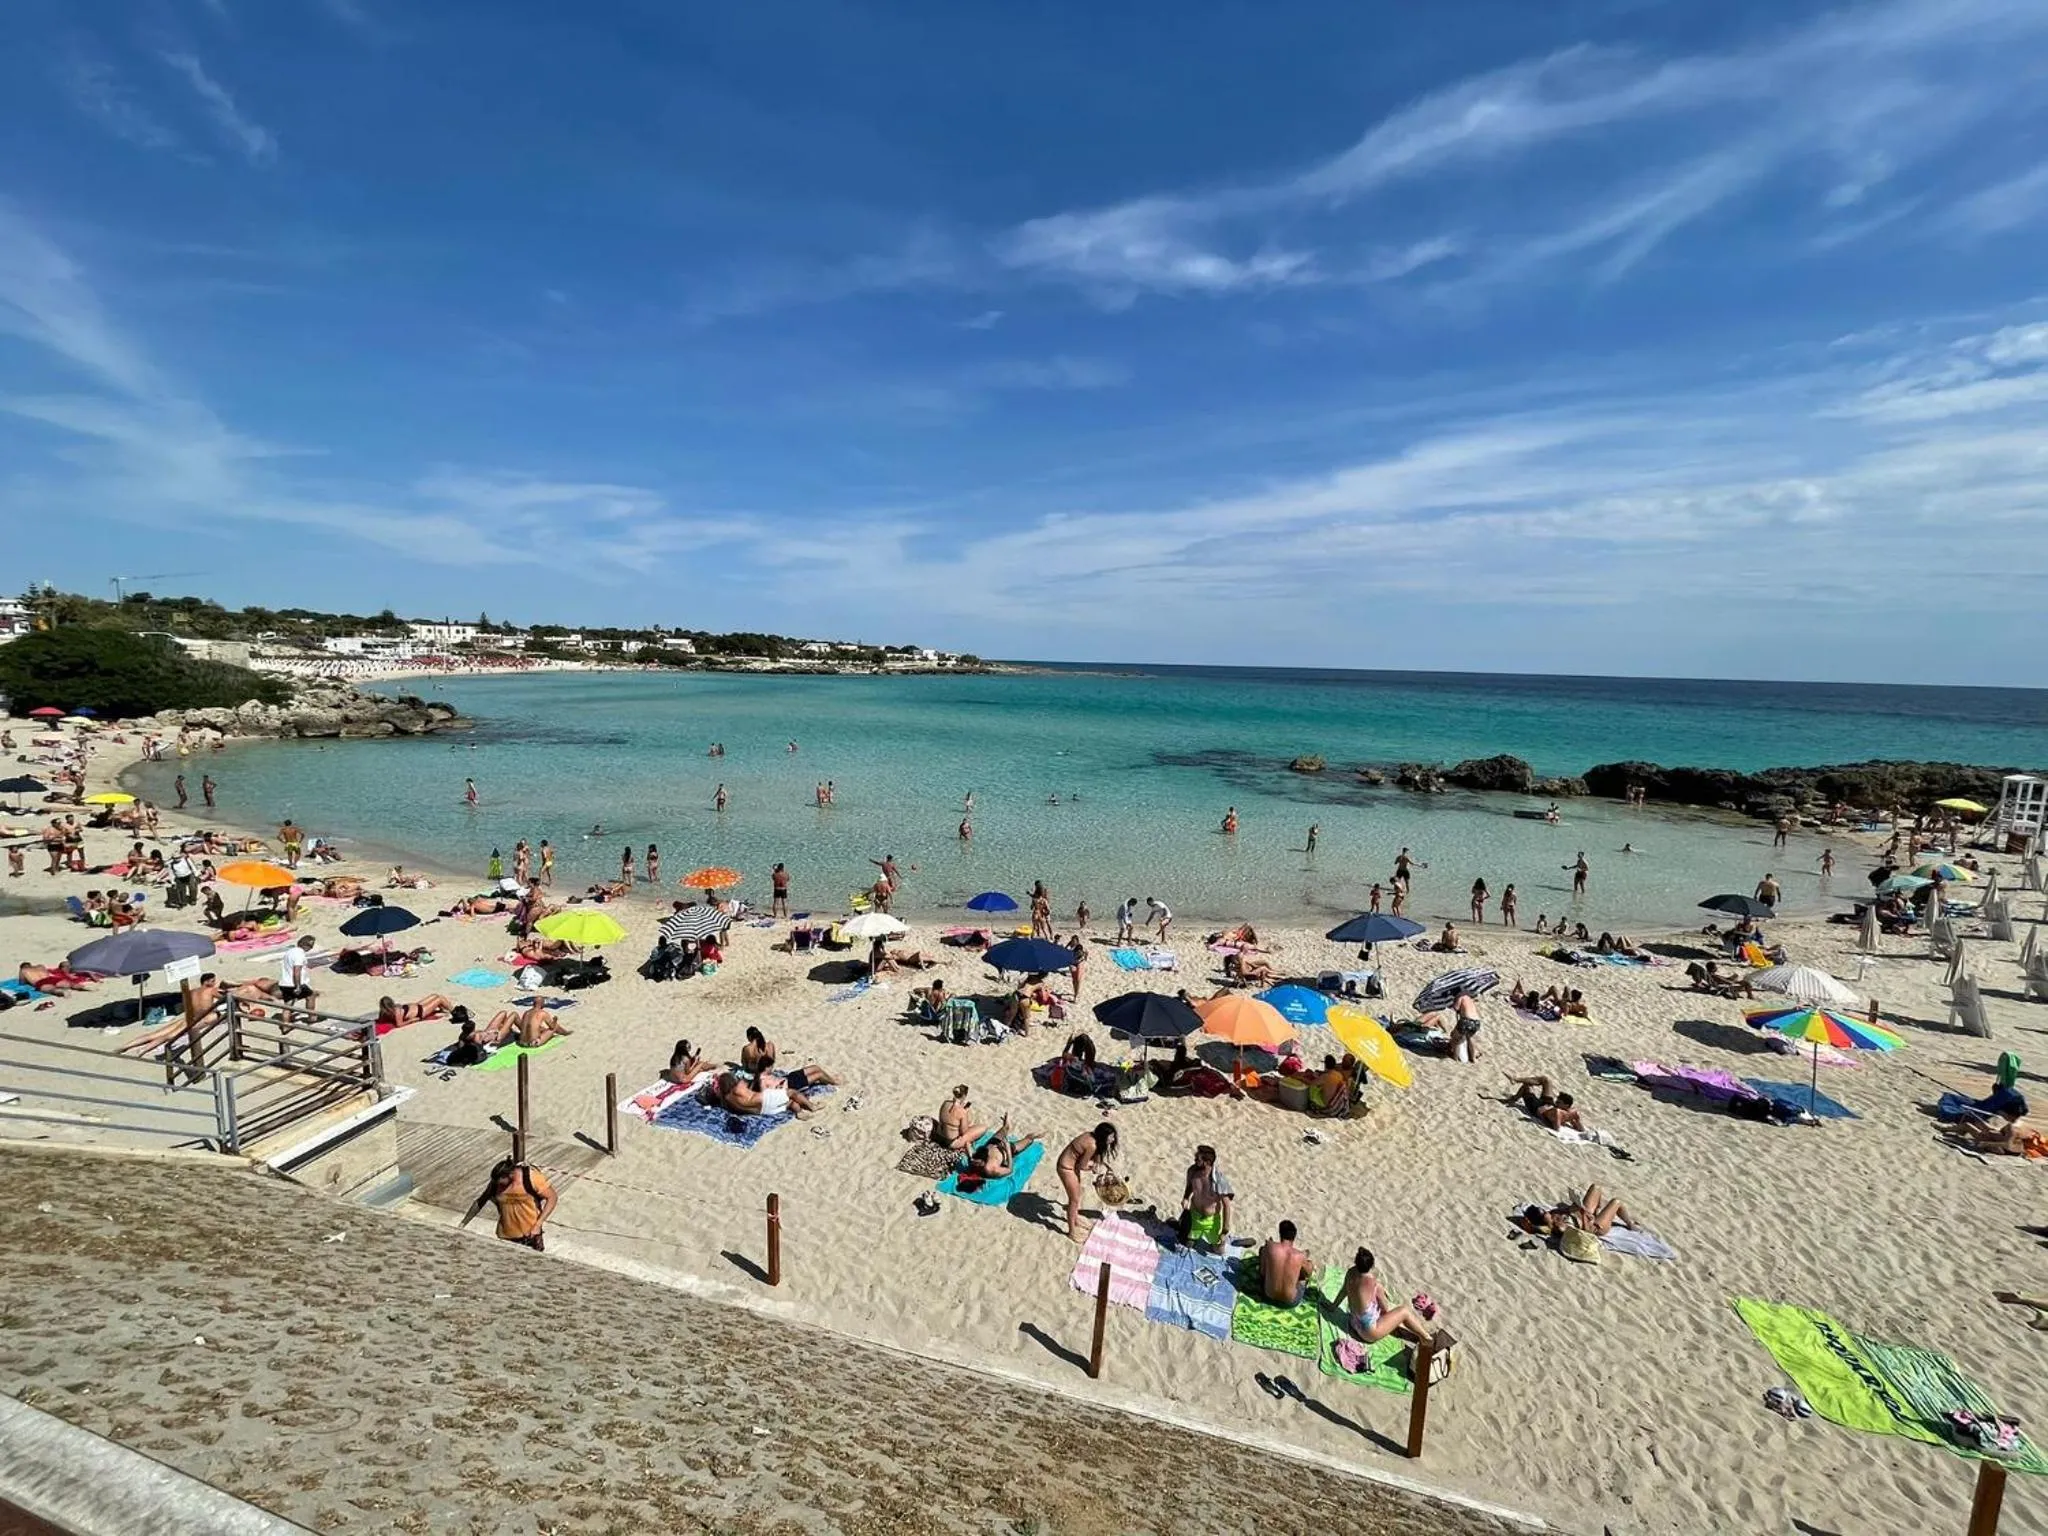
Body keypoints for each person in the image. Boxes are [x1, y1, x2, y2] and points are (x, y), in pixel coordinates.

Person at [1338, 1249, 1443, 1347]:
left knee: (1386, 1315)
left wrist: (1332, 1306)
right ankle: (1426, 1338)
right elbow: (1385, 1308)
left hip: (1354, 1323)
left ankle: (1419, 1335)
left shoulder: (1350, 1273)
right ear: (1371, 1265)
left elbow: (1343, 1292)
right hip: (1368, 1334)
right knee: (1404, 1311)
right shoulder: (1374, 1284)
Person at [461, 1157, 556, 1251]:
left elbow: (552, 1198)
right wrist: (462, 1224)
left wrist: (538, 1225)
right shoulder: (496, 1183)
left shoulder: (531, 1178)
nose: (500, 1185)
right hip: (505, 1237)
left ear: (510, 1175)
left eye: (502, 1183)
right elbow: (480, 1202)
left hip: (530, 1236)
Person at [1055, 1121, 1118, 1243]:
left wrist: (1098, 1165)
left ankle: (1075, 1218)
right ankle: (1071, 1231)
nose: (1113, 1139)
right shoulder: (1092, 1145)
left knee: (1078, 1194)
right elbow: (1082, 1165)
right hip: (1066, 1168)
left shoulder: (1090, 1136)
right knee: (1074, 1200)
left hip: (1071, 1166)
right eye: (1111, 1137)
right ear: (1103, 1137)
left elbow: (1094, 1157)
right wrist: (1093, 1167)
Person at [1518, 1184, 1637, 1238]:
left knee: (1596, 1188)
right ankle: (1630, 1224)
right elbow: (1582, 1232)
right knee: (1616, 1202)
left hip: (1585, 1214)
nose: (1546, 1212)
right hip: (1595, 1226)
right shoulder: (1560, 1228)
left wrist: (1575, 1205)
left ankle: (1598, 1209)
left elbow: (1568, 1211)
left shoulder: (1553, 1213)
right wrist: (1585, 1216)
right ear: (1542, 1220)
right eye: (1544, 1213)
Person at [1177, 1144, 1233, 1250]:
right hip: (1195, 1216)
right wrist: (1186, 1198)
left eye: (1197, 1158)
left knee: (1218, 1250)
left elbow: (1226, 1205)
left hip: (1211, 1222)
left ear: (1207, 1162)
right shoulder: (1192, 1172)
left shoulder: (1219, 1180)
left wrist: (1225, 1229)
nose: (1194, 1160)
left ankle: (1230, 1241)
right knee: (1187, 1244)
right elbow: (1189, 1186)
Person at [1503, 1074, 1585, 1131]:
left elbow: (1556, 1128)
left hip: (1538, 1107)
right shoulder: (1565, 1109)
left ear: (1566, 1105)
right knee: (1546, 1080)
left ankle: (1513, 1099)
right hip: (1549, 1104)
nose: (1556, 1102)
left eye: (1559, 1102)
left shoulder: (1559, 1112)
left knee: (1526, 1086)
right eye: (1557, 1101)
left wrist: (1541, 1115)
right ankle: (1516, 1079)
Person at [1260, 1220, 1313, 1306]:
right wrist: (1307, 1260)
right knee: (1304, 1273)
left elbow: (1262, 1272)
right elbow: (1308, 1274)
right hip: (1290, 1303)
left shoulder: (1270, 1246)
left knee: (1264, 1253)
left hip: (1268, 1296)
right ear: (1294, 1237)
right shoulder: (1300, 1256)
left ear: (1280, 1234)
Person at [278, 935, 318, 1022]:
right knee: (311, 996)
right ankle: (311, 1017)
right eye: (310, 946)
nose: (311, 948)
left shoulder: (289, 952)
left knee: (288, 1005)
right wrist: (298, 986)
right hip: (295, 983)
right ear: (304, 945)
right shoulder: (299, 954)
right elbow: (297, 971)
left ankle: (285, 1025)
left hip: (284, 983)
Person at [937, 1085, 987, 1151]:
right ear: (964, 1096)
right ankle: (966, 1145)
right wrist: (966, 1113)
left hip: (940, 1136)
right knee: (983, 1127)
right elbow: (964, 1132)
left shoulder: (945, 1103)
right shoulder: (962, 1111)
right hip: (952, 1142)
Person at [375, 992, 454, 1030]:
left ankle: (443, 1009)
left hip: (418, 1005)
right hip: (421, 1012)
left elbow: (381, 1019)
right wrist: (411, 1020)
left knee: (435, 995)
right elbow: (399, 1024)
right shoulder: (396, 1012)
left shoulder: (384, 1012)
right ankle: (454, 1010)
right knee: (440, 999)